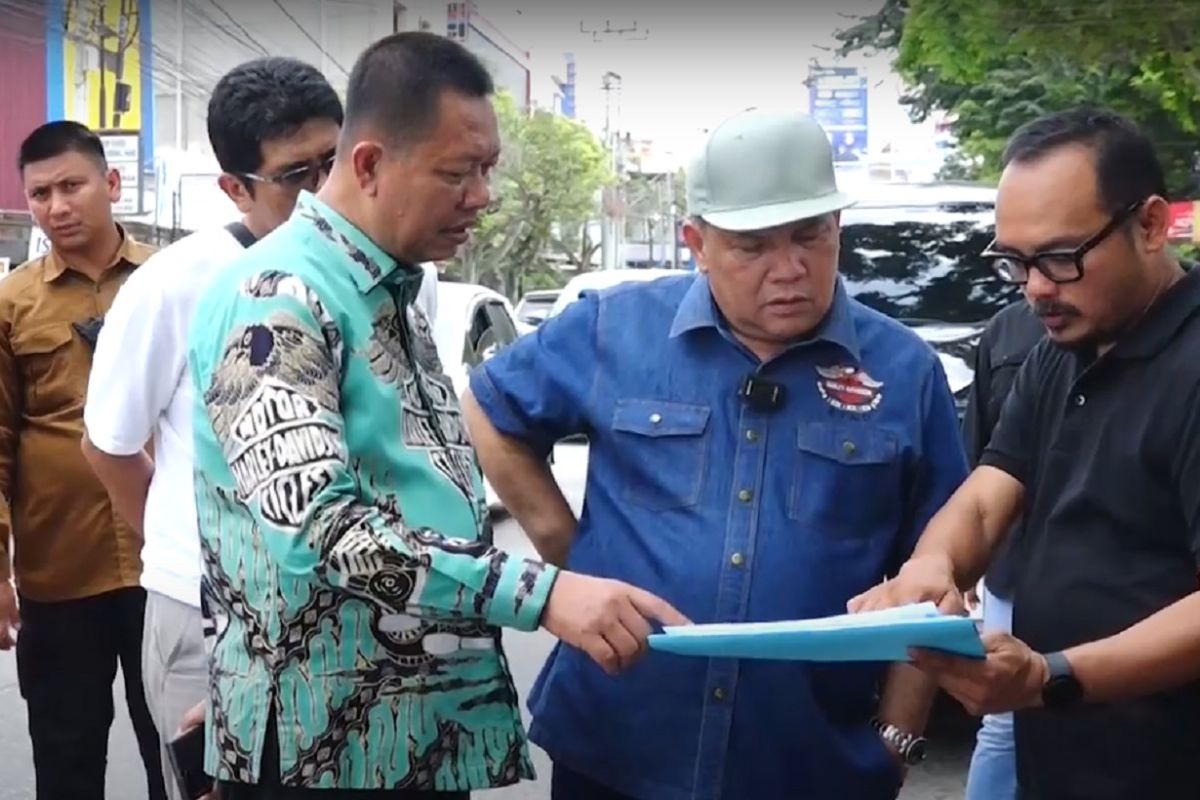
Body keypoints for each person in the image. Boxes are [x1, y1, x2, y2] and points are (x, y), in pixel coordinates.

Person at [183, 32, 685, 798]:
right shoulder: (278, 297)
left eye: (486, 170)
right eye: (457, 172)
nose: (481, 195)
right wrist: (544, 594)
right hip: (328, 758)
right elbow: (319, 528)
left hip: (400, 744)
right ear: (369, 164)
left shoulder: (388, 292)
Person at [461, 108, 969, 799]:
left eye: (809, 236)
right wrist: (563, 548)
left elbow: (933, 575)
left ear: (836, 229)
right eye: (752, 246)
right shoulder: (613, 330)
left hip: (807, 763)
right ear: (696, 242)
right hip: (621, 746)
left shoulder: (905, 372)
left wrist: (897, 738)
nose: (789, 268)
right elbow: (488, 410)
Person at [849, 107, 1200, 799]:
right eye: (1015, 261)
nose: (1037, 287)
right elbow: (989, 494)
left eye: (1062, 257)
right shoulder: (1057, 353)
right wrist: (931, 568)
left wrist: (1052, 675)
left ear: (1152, 225)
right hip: (1064, 761)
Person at [80, 57, 343, 800]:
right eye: (297, 175)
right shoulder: (176, 284)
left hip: (341, 622)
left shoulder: (372, 273)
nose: (326, 190)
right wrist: (178, 547)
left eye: (336, 160)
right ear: (235, 187)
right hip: (206, 618)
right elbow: (108, 445)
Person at [0, 121, 166, 800]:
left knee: (187, 758)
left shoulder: (170, 281)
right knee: (66, 763)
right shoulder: (13, 303)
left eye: (72, 186)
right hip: (59, 571)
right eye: (40, 193)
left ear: (112, 184)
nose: (57, 206)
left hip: (171, 569)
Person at [959, 298, 1043, 800]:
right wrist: (956, 558)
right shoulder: (1007, 330)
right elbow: (982, 457)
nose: (1039, 285)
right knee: (1004, 726)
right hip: (1017, 566)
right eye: (1018, 264)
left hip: (1126, 577)